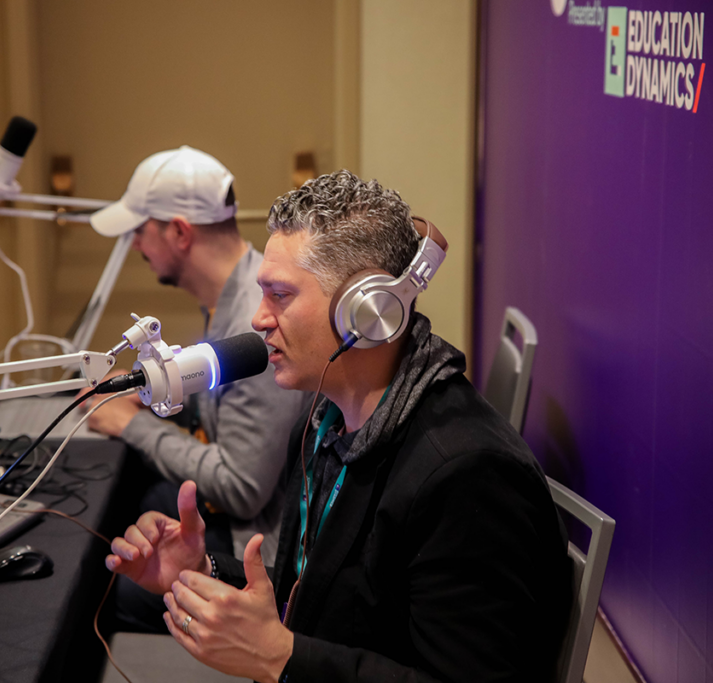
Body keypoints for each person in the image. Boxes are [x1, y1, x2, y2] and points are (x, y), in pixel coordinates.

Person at [105, 170, 572, 681]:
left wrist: (279, 657)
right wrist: (203, 571)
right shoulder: (327, 419)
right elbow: (316, 592)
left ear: (369, 314)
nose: (259, 319)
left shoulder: (468, 475)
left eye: (280, 295)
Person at [87, 146, 310, 632]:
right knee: (133, 504)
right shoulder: (230, 298)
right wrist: (145, 397)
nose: (134, 246)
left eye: (138, 231)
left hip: (257, 546)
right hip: (243, 515)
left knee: (104, 592)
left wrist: (132, 424)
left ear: (179, 232)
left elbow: (242, 488)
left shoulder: (257, 330)